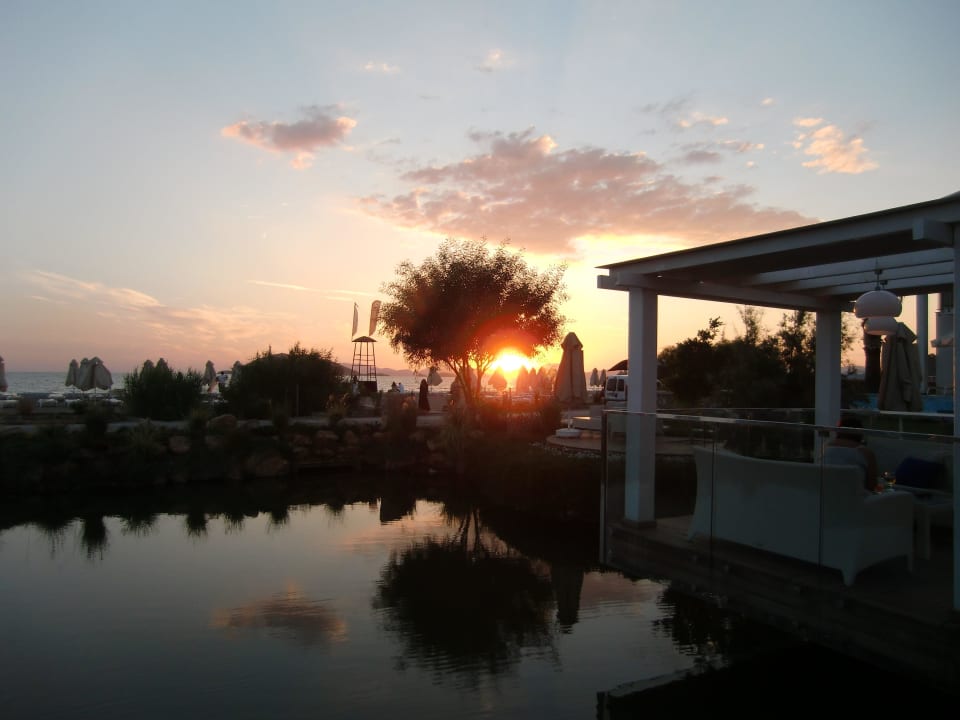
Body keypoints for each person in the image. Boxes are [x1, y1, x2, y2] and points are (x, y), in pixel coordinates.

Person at [822, 415, 878, 492]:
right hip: (856, 500)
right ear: (860, 433)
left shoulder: (827, 448)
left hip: (826, 497)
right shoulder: (866, 453)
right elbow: (872, 487)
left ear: (839, 431)